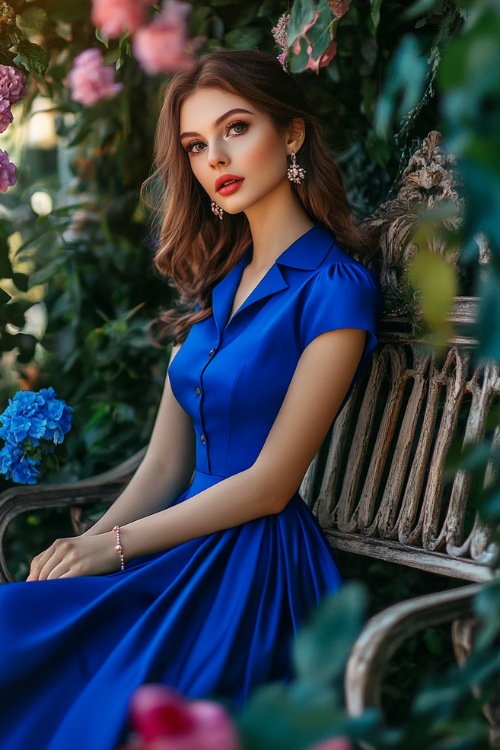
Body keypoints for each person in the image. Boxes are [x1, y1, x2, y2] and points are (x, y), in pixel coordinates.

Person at [0, 49, 383, 750]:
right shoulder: (219, 283)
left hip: (250, 565)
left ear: (291, 134)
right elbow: (164, 468)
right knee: (14, 629)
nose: (216, 158)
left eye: (236, 128)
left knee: (105, 714)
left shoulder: (336, 288)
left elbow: (269, 486)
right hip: (173, 542)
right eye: (197, 145)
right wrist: (87, 545)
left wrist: (112, 547)